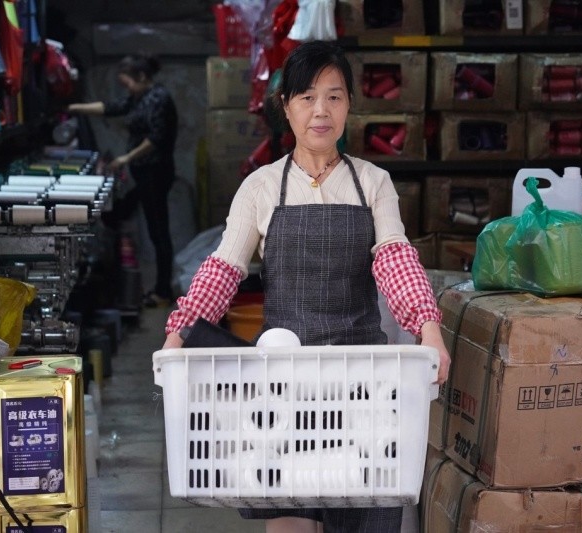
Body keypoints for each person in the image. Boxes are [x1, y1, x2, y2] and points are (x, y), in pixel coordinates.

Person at [163, 40, 451, 532]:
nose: (321, 111)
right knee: (289, 520)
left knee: (361, 513)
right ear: (286, 107)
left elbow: (394, 257)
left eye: (334, 97)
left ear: (350, 106)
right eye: (307, 97)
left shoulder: (373, 182)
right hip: (283, 386)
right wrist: (179, 334)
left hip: (362, 384)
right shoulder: (261, 186)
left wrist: (428, 327)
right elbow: (223, 269)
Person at [68, 54, 178, 307]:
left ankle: (163, 291)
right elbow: (112, 107)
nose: (126, 88)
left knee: (159, 231)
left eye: (127, 82)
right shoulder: (140, 97)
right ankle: (159, 287)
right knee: (151, 227)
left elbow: (155, 138)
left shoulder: (158, 98)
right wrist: (75, 108)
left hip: (155, 172)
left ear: (141, 77)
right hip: (144, 172)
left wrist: (125, 158)